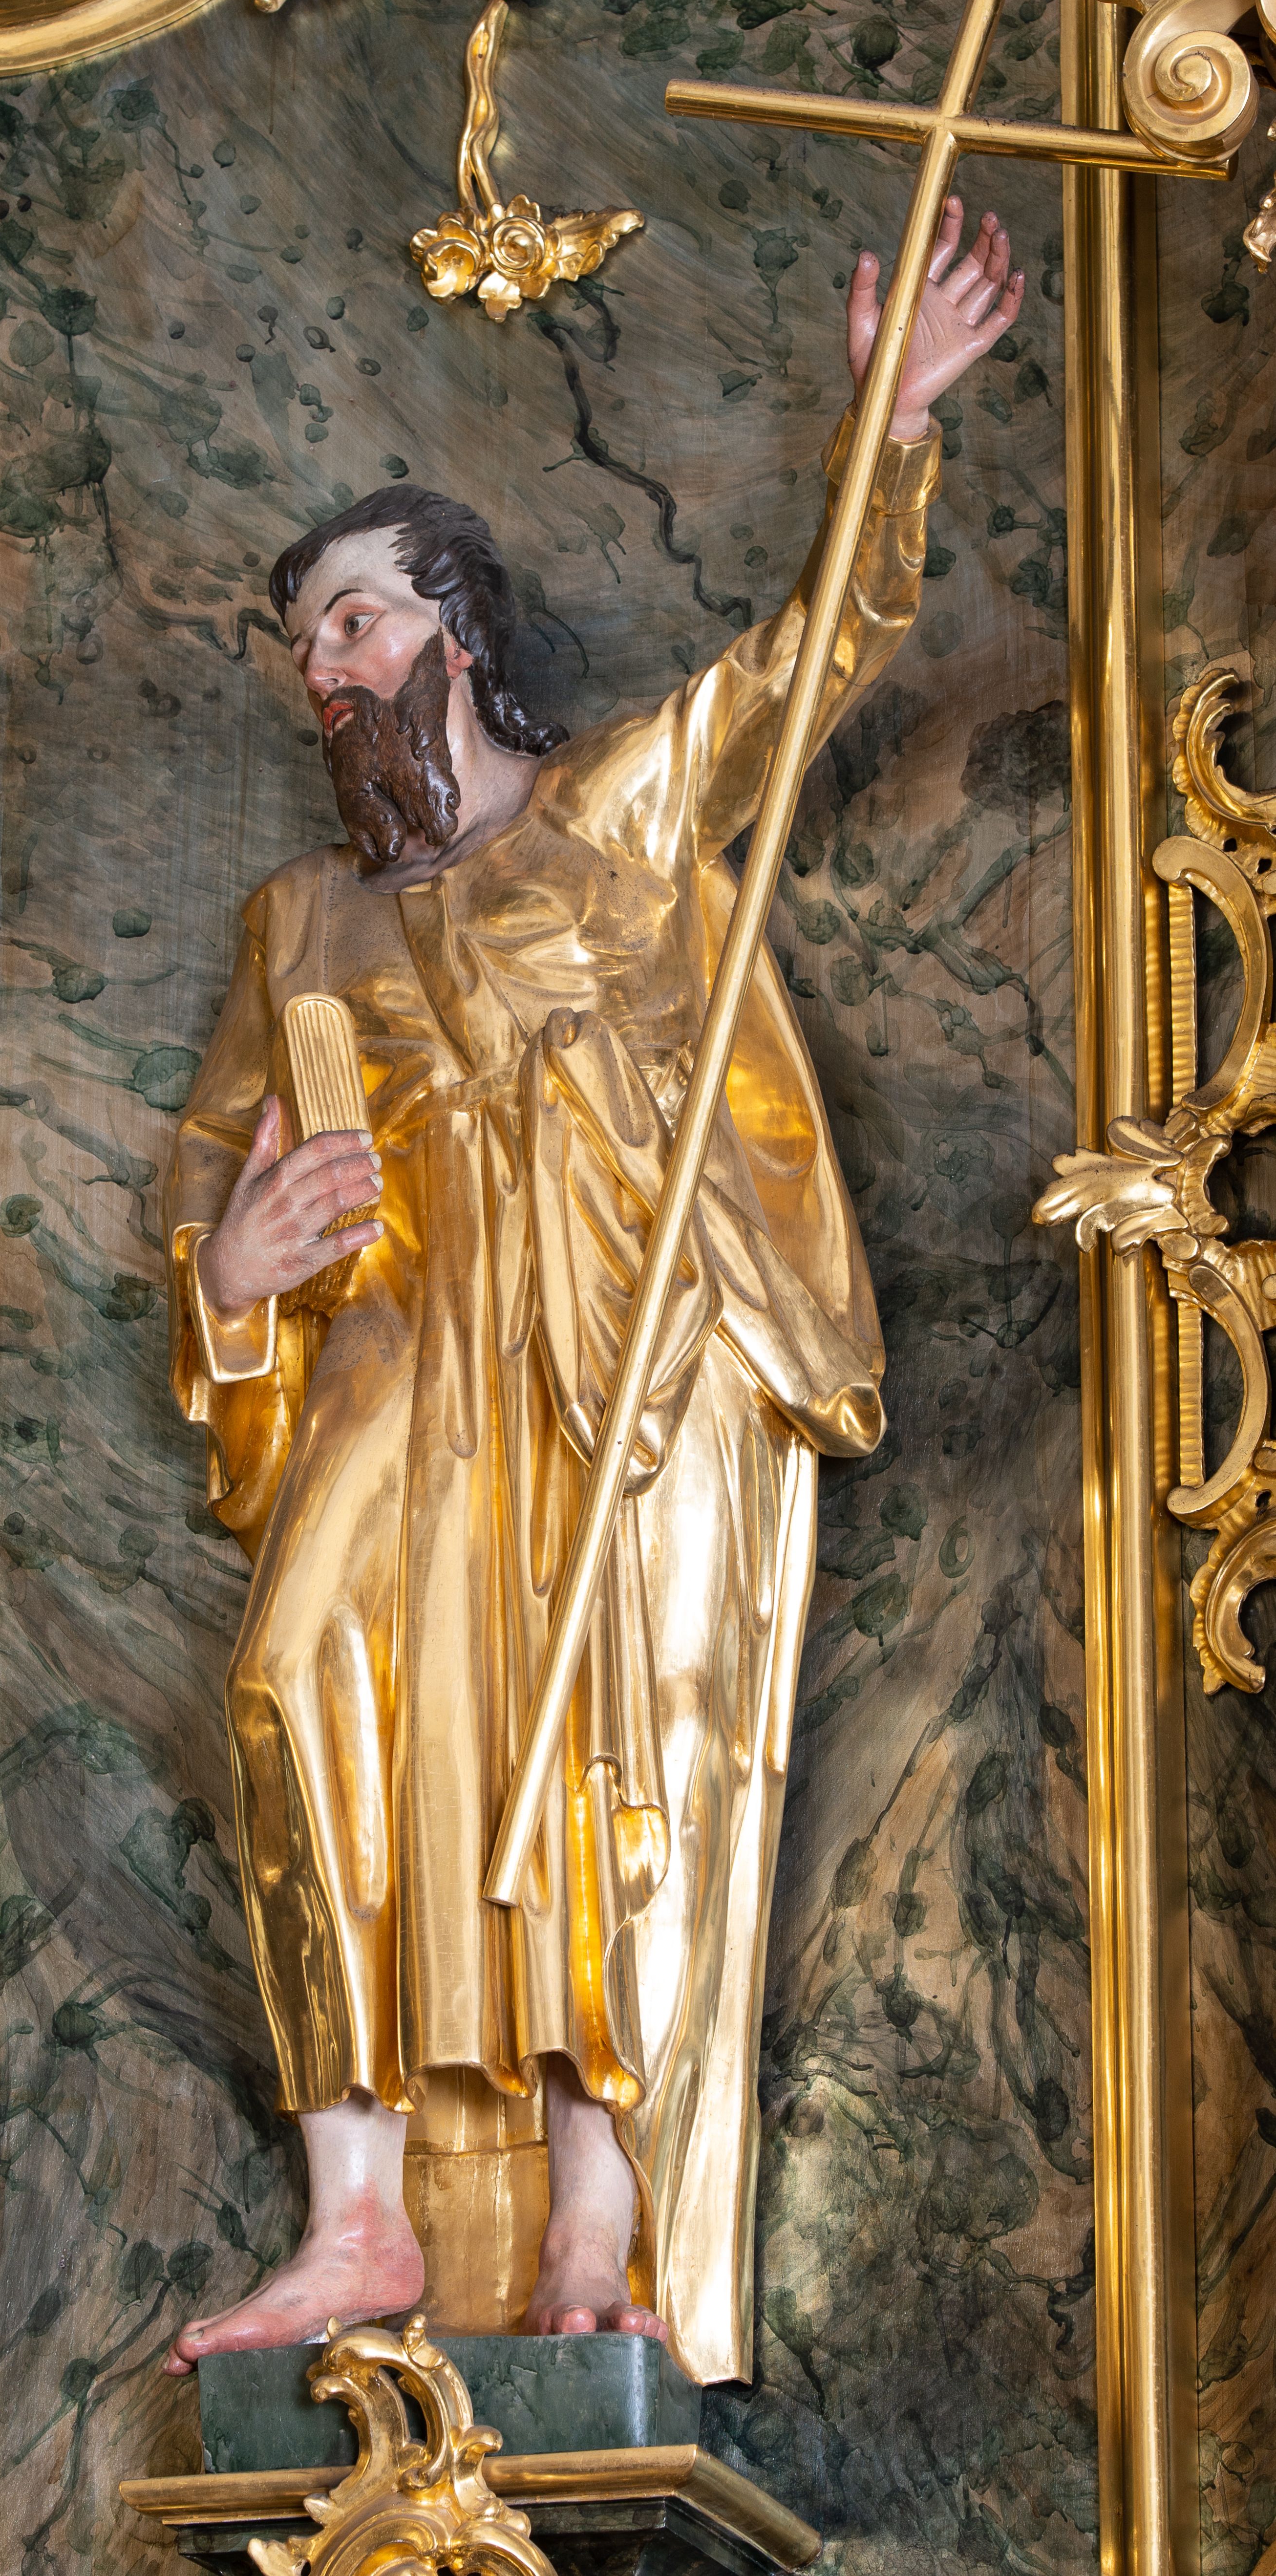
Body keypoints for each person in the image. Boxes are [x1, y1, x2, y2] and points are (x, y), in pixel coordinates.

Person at [161, 205, 1023, 2382]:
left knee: (601, 1740)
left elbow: (805, 660)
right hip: (389, 1359)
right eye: (306, 641)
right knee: (296, 1689)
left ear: (456, 636)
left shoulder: (615, 820)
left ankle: (593, 2213)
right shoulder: (299, 926)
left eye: (358, 618)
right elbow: (216, 1178)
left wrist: (892, 427)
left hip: (602, 1356)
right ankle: (357, 2218)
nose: (328, 665)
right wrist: (235, 1277)